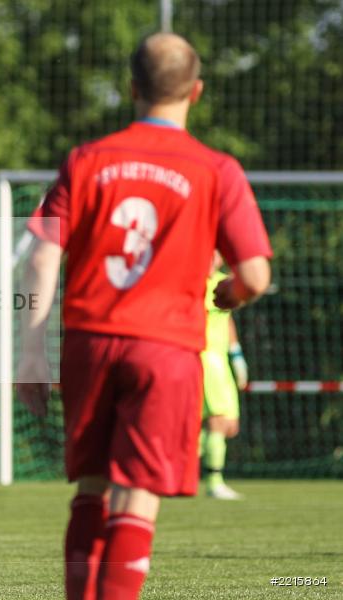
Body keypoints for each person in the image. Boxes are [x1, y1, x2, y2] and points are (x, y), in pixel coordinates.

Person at [18, 33, 272, 600]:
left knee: (91, 490)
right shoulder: (217, 169)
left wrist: (32, 351)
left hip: (89, 341)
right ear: (197, 92)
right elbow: (256, 276)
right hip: (166, 350)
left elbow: (41, 255)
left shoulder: (85, 160)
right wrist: (228, 294)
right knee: (136, 499)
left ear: (132, 88)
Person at [201, 251, 249, 500]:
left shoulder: (223, 282)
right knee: (218, 420)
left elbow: (226, 317)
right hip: (202, 357)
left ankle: (180, 459)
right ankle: (214, 482)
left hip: (220, 359)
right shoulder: (194, 282)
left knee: (229, 426)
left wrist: (236, 352)